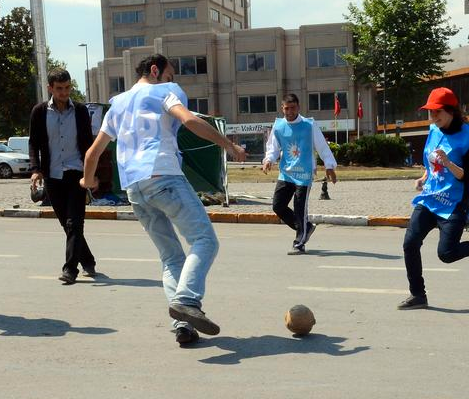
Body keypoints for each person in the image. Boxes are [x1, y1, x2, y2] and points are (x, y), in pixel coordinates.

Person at [80, 54, 246, 346]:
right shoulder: (164, 92)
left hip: (134, 188)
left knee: (171, 256)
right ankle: (187, 300)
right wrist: (229, 145)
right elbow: (190, 120)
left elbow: (93, 153)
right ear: (155, 71)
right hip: (163, 176)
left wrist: (87, 180)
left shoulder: (116, 104)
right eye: (170, 75)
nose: (173, 81)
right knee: (205, 241)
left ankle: (183, 324)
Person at [398, 87, 469, 310]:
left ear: (451, 111)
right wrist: (424, 177)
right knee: (410, 243)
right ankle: (418, 295)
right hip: (430, 198)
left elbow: (468, 176)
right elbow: (431, 163)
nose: (432, 117)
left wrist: (449, 163)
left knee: (447, 254)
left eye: (437, 112)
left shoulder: (468, 136)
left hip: (455, 202)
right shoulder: (434, 130)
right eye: (430, 112)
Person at [29, 68, 96, 285]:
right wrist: (36, 169)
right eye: (59, 89)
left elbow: (88, 144)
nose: (64, 93)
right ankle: (88, 259)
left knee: (74, 222)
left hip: (76, 173)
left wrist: (92, 174)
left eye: (67, 88)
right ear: (50, 88)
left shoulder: (80, 111)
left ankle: (70, 270)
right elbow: (34, 143)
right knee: (66, 224)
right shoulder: (39, 112)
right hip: (53, 175)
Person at [262, 94, 337, 255]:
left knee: (299, 208)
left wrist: (329, 166)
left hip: (304, 174)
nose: (289, 111)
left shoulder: (309, 125)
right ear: (282, 108)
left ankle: (299, 243)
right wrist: (268, 160)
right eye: (286, 108)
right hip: (286, 173)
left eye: (293, 108)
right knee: (278, 206)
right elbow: (273, 148)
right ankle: (306, 228)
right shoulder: (279, 126)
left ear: (298, 107)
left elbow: (322, 146)